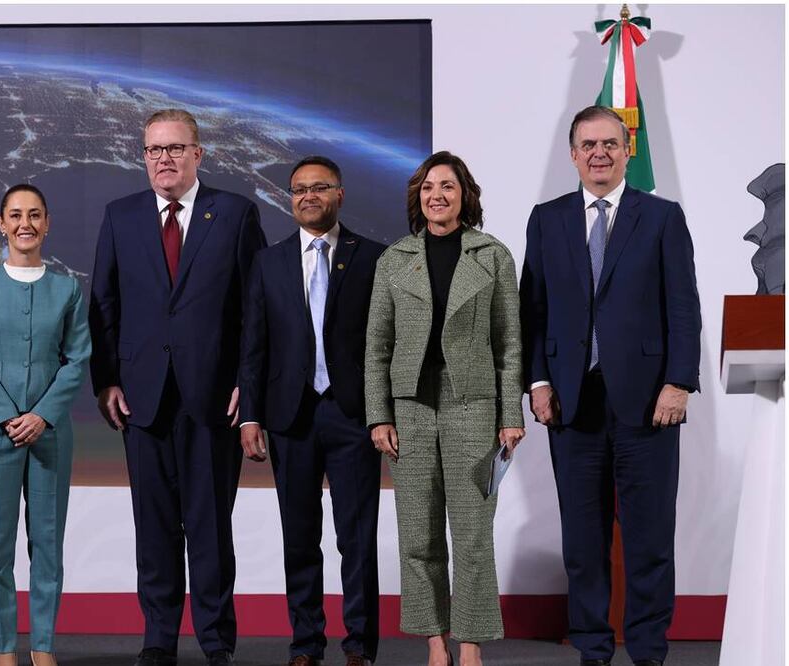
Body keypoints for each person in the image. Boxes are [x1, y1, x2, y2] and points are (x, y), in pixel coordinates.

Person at [519, 106, 701, 666]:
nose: (599, 153)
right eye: (587, 144)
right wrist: (539, 381)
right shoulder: (546, 219)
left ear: (628, 152)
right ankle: (593, 651)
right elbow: (535, 310)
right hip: (571, 403)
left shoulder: (663, 216)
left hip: (649, 404)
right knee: (583, 541)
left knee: (648, 540)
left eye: (610, 144)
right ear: (573, 154)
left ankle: (647, 652)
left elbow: (683, 307)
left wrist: (679, 383)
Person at [89, 108, 266, 666]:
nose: (163, 159)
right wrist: (106, 381)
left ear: (198, 154)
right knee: (155, 527)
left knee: (211, 527)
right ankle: (158, 639)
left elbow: (255, 311)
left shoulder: (235, 214)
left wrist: (248, 382)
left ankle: (217, 642)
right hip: (142, 400)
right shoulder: (120, 217)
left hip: (214, 398)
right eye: (153, 150)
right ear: (143, 157)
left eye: (174, 149)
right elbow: (104, 306)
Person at [366, 152, 524, 666]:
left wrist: (511, 416)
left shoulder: (492, 255)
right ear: (418, 196)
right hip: (409, 410)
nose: (438, 194)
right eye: (429, 186)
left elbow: (510, 343)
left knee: (474, 533)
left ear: (465, 195)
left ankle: (471, 646)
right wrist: (379, 415)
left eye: (448, 186)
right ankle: (436, 645)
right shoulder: (394, 259)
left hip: (473, 406)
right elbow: (377, 347)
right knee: (418, 533)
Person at [239, 156, 384, 666]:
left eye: (319, 187)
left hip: (352, 414)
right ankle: (306, 643)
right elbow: (253, 346)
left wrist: (383, 412)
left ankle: (360, 644)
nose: (308, 196)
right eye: (299, 189)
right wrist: (251, 415)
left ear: (339, 194)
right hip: (289, 416)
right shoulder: (268, 262)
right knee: (299, 537)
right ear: (289, 197)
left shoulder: (373, 258)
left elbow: (382, 343)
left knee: (357, 536)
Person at [0, 183, 91, 666]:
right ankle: (2, 648)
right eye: (15, 215)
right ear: (0, 223)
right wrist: (11, 416)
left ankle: (42, 646)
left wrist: (41, 415)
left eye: (35, 214)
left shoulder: (67, 289)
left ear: (47, 222)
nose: (25, 224)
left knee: (47, 544)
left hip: (51, 434)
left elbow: (77, 360)